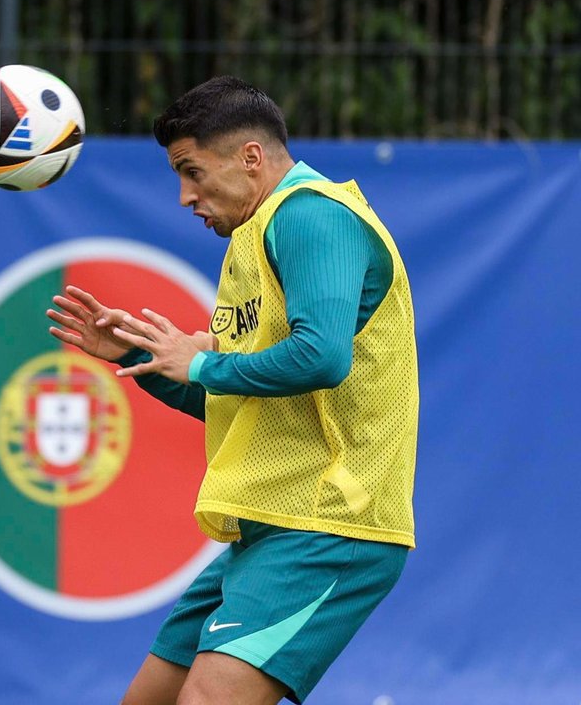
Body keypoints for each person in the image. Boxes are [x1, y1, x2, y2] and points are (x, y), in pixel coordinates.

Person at [46, 76, 418, 705]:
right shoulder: (255, 234)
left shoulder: (312, 216)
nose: (185, 196)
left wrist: (198, 365)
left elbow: (319, 358)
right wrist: (144, 356)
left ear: (251, 157)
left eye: (191, 172)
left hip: (329, 525)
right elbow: (237, 392)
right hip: (267, 524)